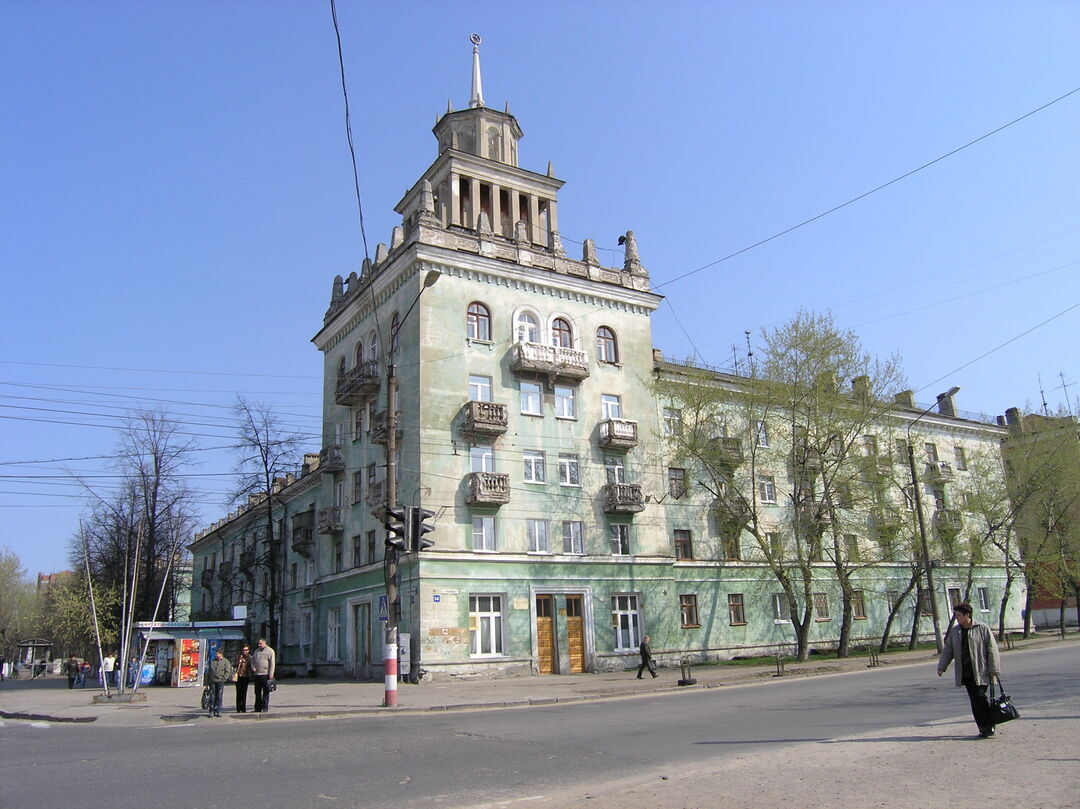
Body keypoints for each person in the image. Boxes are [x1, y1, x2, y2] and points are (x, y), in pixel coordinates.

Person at [938, 602, 1002, 738]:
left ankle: (988, 726)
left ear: (968, 615)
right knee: (975, 701)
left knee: (980, 698)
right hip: (966, 673)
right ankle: (983, 727)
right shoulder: (956, 631)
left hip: (981, 671)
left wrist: (994, 669)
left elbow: (992, 649)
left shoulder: (982, 628)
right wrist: (942, 666)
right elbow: (948, 650)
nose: (957, 618)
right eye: (955, 615)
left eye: (959, 615)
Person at [203, 649, 234, 717]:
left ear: (221, 654)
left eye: (217, 654)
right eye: (215, 654)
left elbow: (227, 671)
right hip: (212, 681)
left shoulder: (225, 661)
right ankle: (211, 711)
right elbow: (209, 672)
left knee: (219, 697)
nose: (216, 655)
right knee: (212, 697)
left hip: (220, 681)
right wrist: (206, 683)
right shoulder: (212, 661)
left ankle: (219, 710)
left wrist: (224, 679)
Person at [250, 637, 276, 713]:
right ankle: (257, 708)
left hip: (265, 674)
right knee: (257, 692)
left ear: (265, 643)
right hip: (257, 674)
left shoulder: (270, 651)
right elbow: (252, 661)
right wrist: (253, 667)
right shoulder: (256, 651)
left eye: (260, 643)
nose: (259, 645)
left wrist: (271, 674)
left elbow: (272, 663)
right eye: (258, 643)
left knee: (265, 692)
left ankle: (265, 707)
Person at [234, 644, 252, 713]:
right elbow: (234, 665)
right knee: (238, 693)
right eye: (244, 650)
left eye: (246, 650)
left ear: (248, 650)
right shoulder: (239, 657)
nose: (245, 651)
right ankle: (238, 708)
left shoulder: (250, 658)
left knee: (244, 693)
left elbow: (251, 666)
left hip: (246, 676)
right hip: (239, 676)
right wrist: (238, 662)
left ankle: (243, 708)